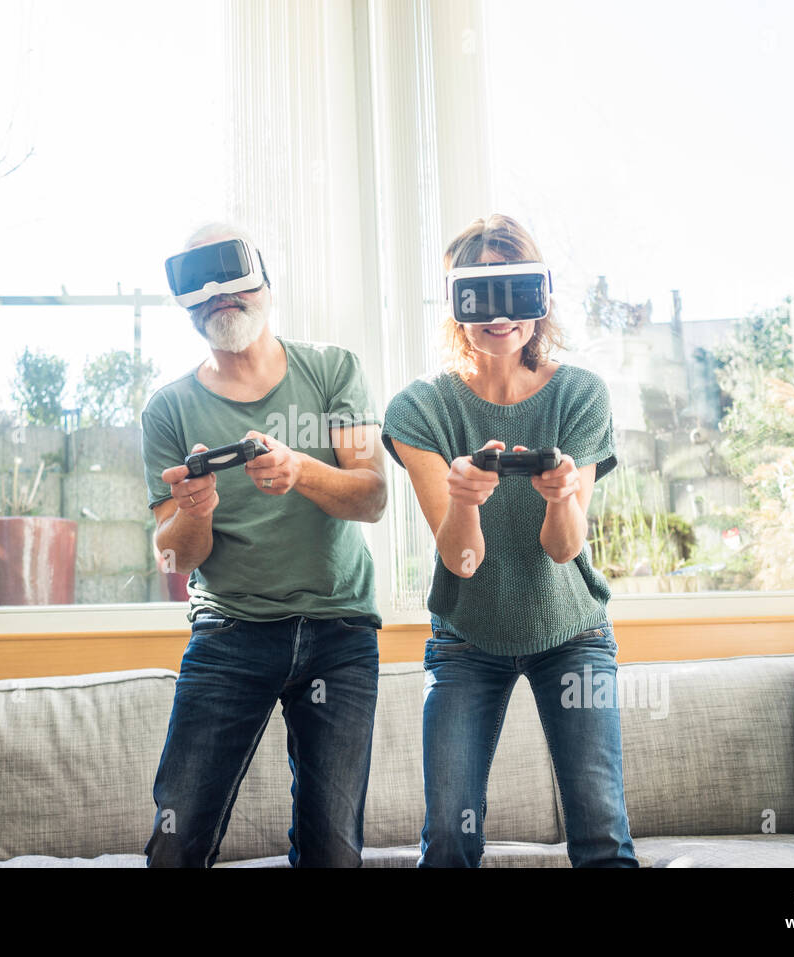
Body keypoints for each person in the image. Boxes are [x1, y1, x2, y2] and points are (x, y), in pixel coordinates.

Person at [380, 213, 638, 868]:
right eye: (479, 294)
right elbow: (460, 559)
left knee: (602, 832)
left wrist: (559, 497)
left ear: (543, 294)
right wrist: (465, 502)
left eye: (516, 290)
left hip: (573, 631)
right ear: (454, 303)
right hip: (467, 637)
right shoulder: (421, 408)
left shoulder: (580, 393)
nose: (499, 314)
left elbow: (562, 549)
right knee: (449, 839)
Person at [141, 222, 387, 867]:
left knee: (333, 847)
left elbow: (372, 497)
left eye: (233, 284)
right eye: (202, 291)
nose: (220, 296)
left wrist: (301, 469)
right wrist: (196, 508)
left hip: (340, 631)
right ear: (187, 308)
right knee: (177, 835)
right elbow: (173, 557)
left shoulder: (333, 369)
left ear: (266, 287)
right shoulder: (168, 409)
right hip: (231, 633)